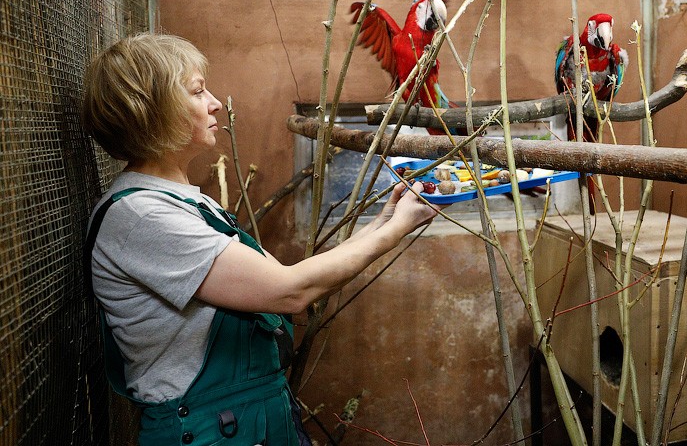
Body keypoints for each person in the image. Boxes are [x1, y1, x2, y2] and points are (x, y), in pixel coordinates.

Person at [81, 33, 441, 445]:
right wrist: (394, 232)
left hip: (249, 416)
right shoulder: (141, 216)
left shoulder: (185, 204)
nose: (216, 103)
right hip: (206, 427)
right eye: (198, 92)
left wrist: (386, 219)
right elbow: (290, 291)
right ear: (151, 111)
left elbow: (287, 277)